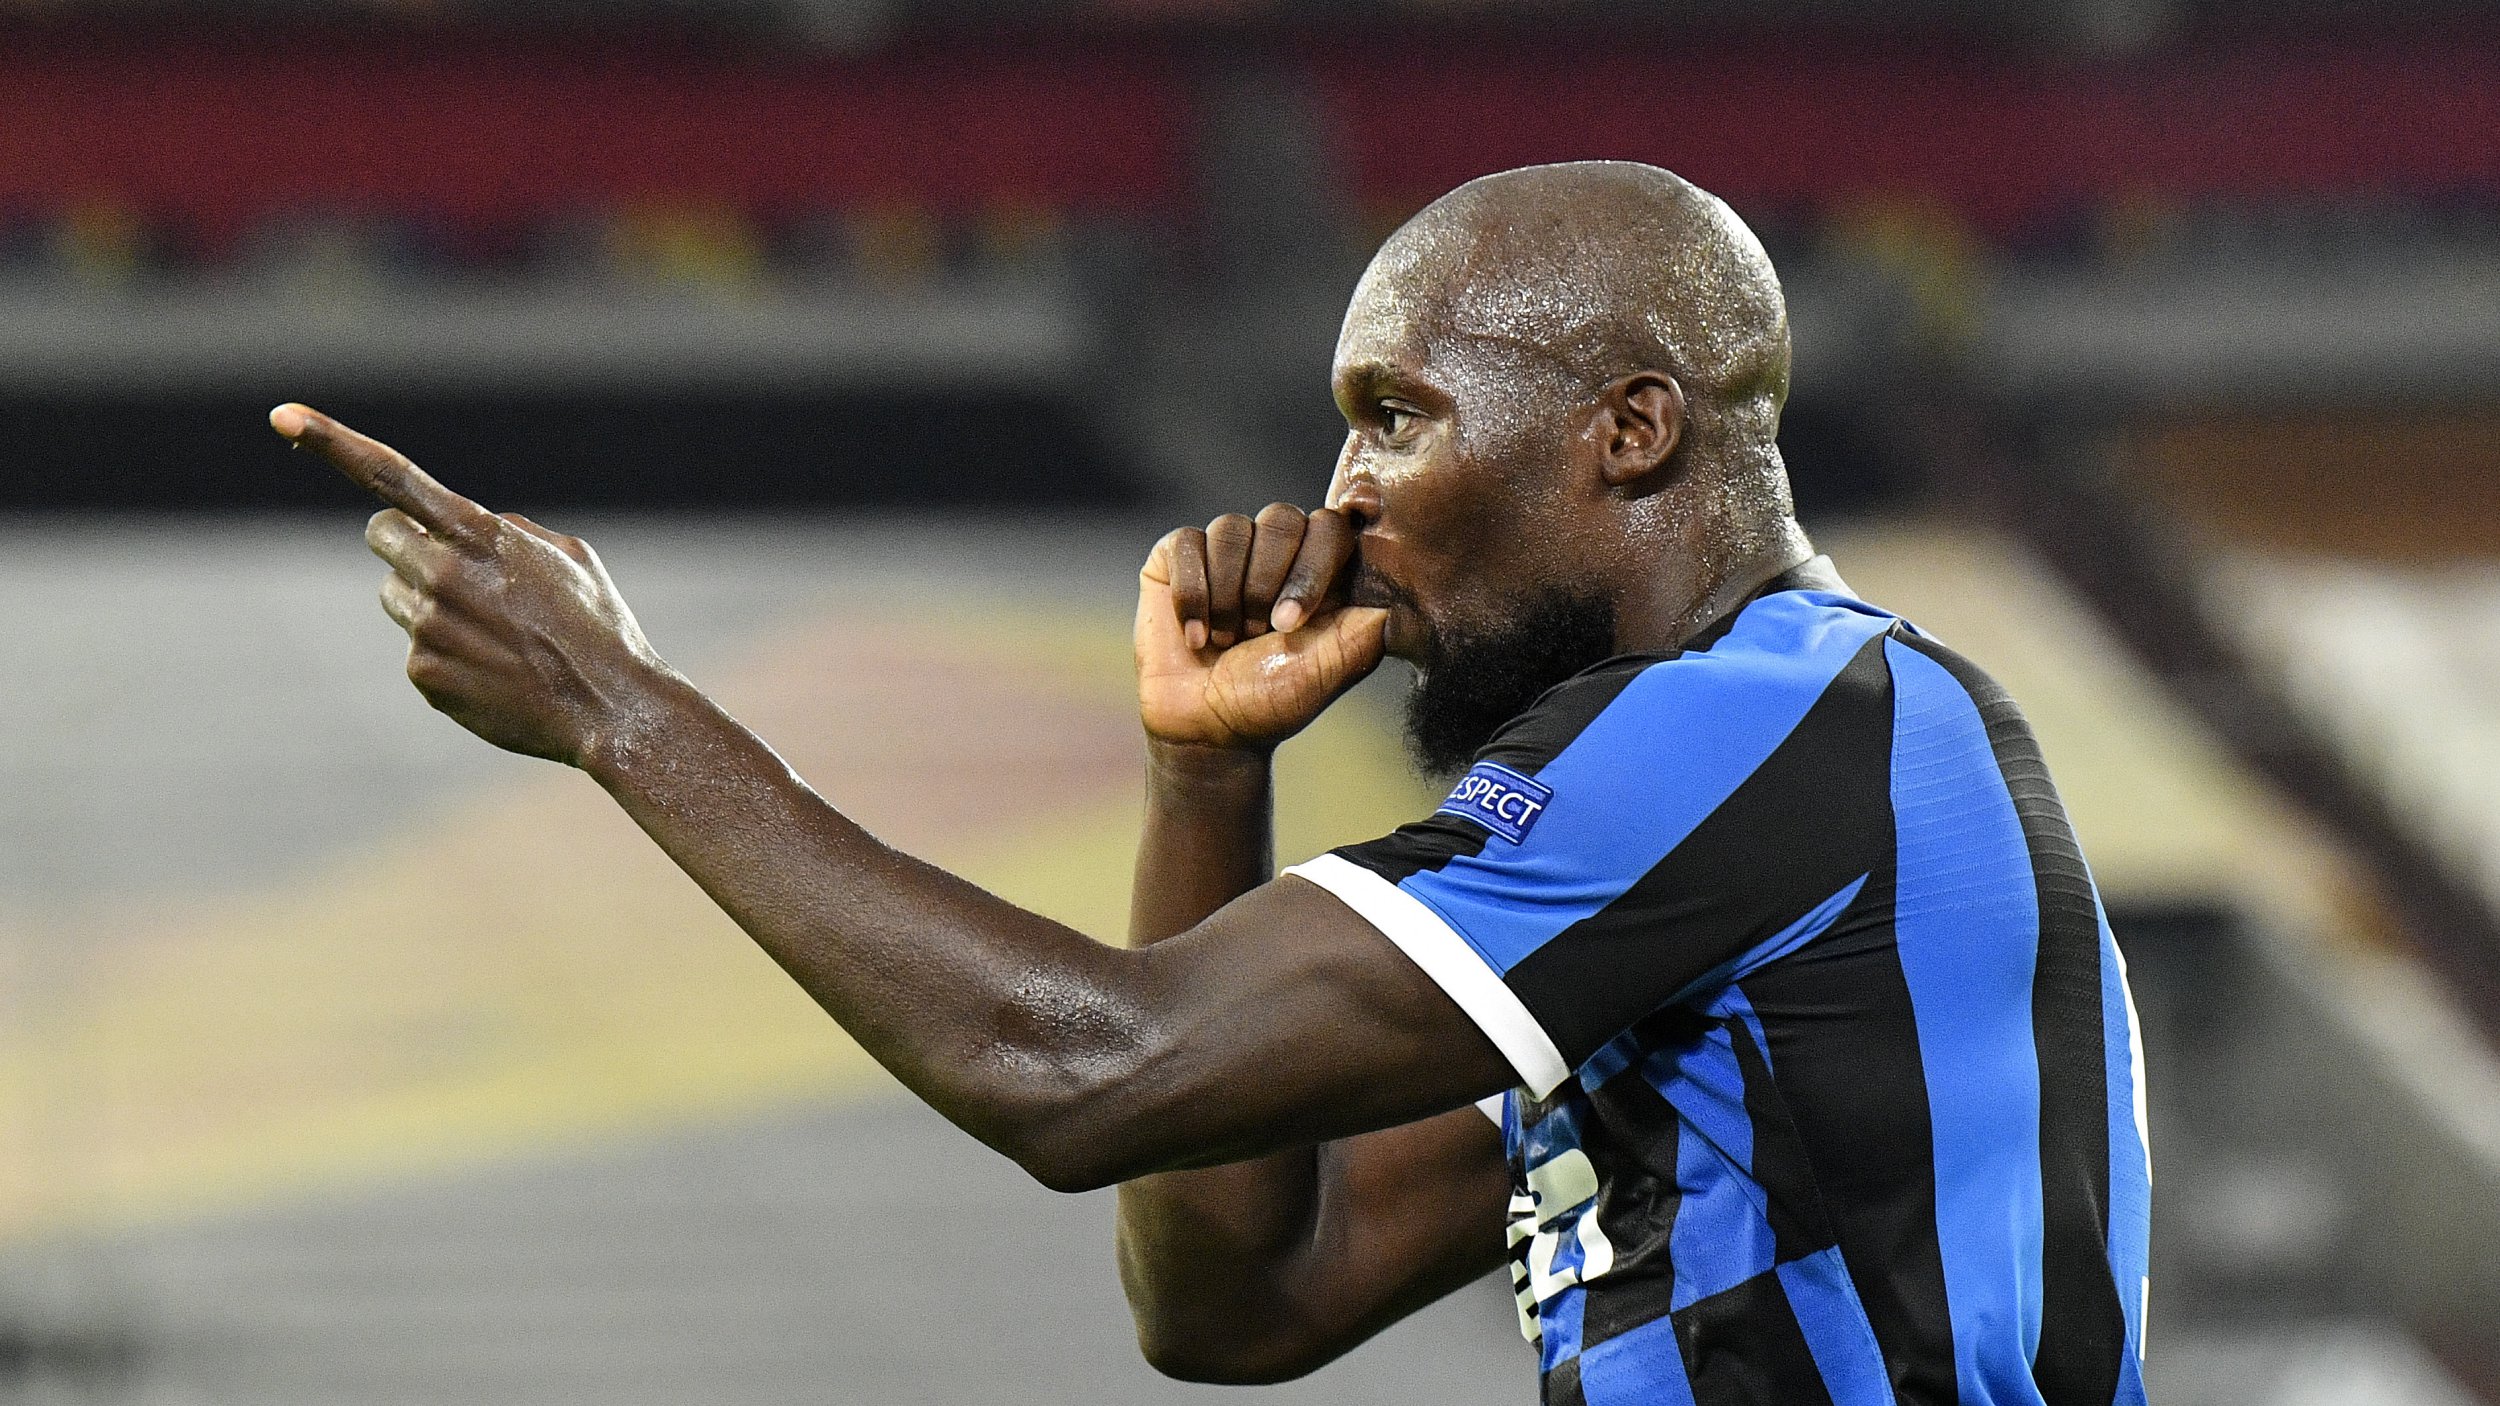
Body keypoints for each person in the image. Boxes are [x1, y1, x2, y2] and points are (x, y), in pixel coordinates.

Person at [271, 161, 2151, 1406]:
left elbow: (1090, 1070)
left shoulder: (1774, 721)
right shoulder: (1728, 809)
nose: (1337, 493)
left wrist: (621, 708)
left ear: (1631, 430)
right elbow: (1238, 1300)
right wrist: (1201, 781)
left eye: (1394, 414)